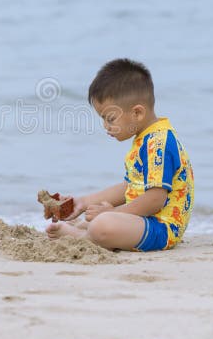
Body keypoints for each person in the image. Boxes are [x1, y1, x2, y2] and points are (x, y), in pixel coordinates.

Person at [47, 58, 194, 251]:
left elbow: (155, 198)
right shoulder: (146, 138)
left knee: (103, 224)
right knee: (100, 219)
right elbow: (129, 187)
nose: (105, 126)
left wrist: (114, 212)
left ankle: (82, 236)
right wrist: (83, 202)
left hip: (162, 228)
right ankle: (89, 229)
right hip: (145, 222)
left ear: (137, 113)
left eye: (110, 118)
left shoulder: (158, 143)